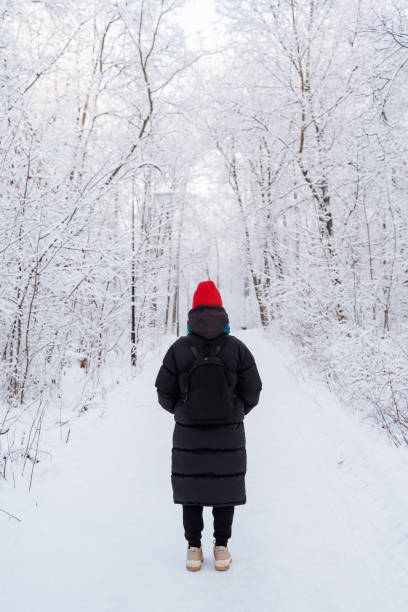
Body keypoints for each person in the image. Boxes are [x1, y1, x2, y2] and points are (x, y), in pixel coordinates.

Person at [155, 280, 262, 571]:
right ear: (220, 310)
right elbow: (253, 391)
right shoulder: (237, 348)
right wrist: (236, 411)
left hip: (189, 434)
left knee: (192, 491)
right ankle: (222, 548)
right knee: (223, 489)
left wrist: (182, 411)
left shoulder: (178, 349)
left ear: (193, 312)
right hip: (229, 433)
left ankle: (193, 549)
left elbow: (164, 393)